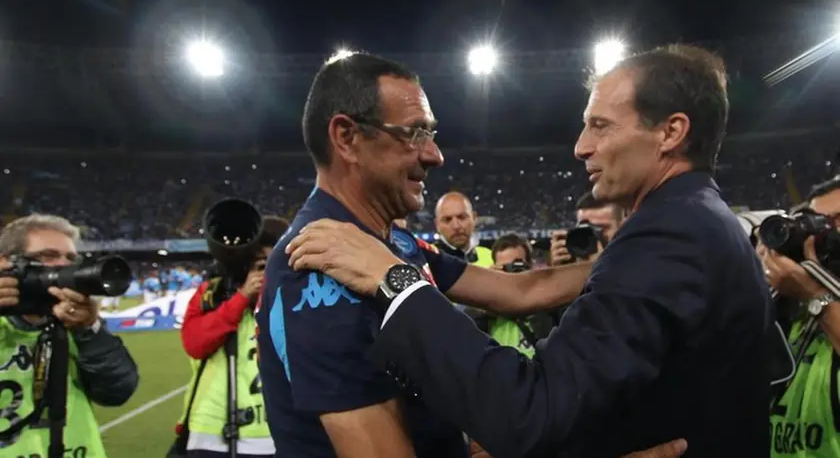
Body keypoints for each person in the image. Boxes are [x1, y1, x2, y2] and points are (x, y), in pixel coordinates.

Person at [285, 44, 772, 456]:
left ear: (671, 132)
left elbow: (531, 410)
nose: (581, 146)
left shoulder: (669, 236)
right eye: (416, 133)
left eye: (600, 125)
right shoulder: (319, 262)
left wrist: (395, 280)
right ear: (347, 137)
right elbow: (518, 297)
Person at [0, 213, 139, 457]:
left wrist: (89, 330)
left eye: (71, 258)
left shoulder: (76, 324)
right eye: (49, 256)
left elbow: (118, 391)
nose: (66, 266)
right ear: (8, 263)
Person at [173, 216, 288, 458]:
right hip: (212, 434)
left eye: (268, 262)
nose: (261, 271)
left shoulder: (292, 295)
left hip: (279, 432)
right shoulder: (211, 294)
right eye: (256, 263)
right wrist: (242, 296)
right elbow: (195, 343)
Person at [762, 175, 840, 456]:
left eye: (838, 221)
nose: (825, 234)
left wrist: (816, 295)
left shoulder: (816, 301)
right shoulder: (796, 311)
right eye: (820, 223)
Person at [434, 192, 493, 267]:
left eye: (462, 217)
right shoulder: (426, 260)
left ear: (474, 218)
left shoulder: (490, 256)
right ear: (437, 225)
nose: (456, 226)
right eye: (447, 219)